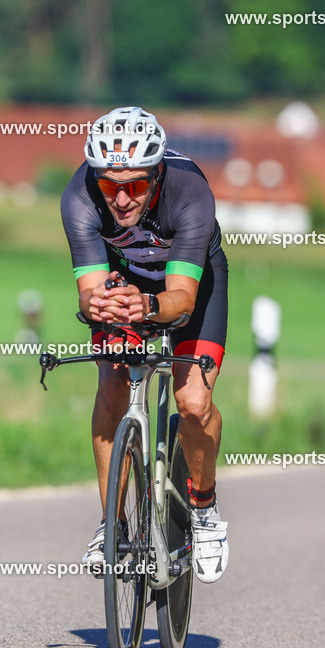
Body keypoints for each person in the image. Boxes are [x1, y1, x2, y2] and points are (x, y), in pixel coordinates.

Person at [60, 106, 229, 583]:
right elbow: (89, 290)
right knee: (112, 386)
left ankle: (204, 508)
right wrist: (102, 306)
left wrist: (148, 308)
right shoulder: (79, 196)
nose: (121, 197)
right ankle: (110, 525)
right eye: (110, 184)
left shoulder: (190, 192)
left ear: (156, 175)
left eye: (134, 185)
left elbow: (182, 298)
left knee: (193, 403)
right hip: (123, 283)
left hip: (185, 286)